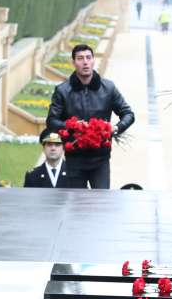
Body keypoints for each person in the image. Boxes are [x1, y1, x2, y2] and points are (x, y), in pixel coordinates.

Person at [46, 43, 134, 189]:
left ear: (93, 60)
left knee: (101, 201)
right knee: (76, 201)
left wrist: (116, 128)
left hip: (101, 158)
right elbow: (51, 121)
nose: (85, 62)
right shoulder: (62, 90)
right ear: (73, 62)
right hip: (74, 158)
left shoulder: (109, 88)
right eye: (80, 58)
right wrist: (71, 126)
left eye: (88, 57)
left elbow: (128, 114)